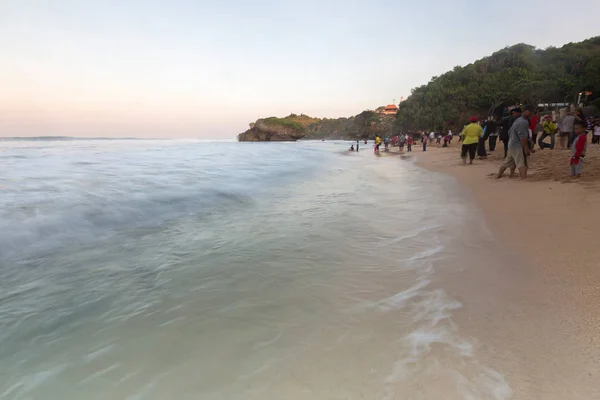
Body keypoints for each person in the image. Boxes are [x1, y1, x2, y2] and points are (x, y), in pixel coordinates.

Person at [496, 105, 534, 180]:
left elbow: (510, 132)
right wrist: (526, 148)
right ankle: (523, 178)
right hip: (518, 145)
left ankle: (498, 176)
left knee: (507, 162)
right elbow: (522, 137)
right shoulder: (523, 122)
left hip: (511, 144)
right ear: (526, 111)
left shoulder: (518, 120)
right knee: (522, 163)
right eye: (531, 113)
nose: (532, 114)